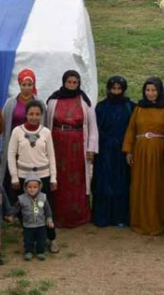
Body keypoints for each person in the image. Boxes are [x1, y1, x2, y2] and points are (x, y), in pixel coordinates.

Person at [122, 77, 164, 236]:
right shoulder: (139, 108)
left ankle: (157, 222)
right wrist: (128, 150)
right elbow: (131, 129)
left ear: (159, 90)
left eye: (154, 90)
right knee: (139, 185)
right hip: (140, 153)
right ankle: (139, 221)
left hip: (160, 153)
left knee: (157, 186)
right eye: (148, 90)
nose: (150, 93)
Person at [46, 70, 98, 228]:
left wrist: (91, 148)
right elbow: (46, 124)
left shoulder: (84, 101)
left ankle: (78, 216)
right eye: (69, 82)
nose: (72, 85)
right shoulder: (53, 100)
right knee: (58, 178)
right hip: (57, 145)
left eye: (75, 82)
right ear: (63, 82)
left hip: (77, 147)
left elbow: (92, 127)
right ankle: (56, 215)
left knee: (77, 179)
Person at [7, 100, 58, 253]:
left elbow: (52, 156)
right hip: (23, 176)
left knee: (44, 209)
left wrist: (53, 178)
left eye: (37, 114)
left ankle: (51, 238)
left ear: (41, 115)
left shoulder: (46, 132)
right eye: (31, 114)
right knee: (26, 209)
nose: (34, 117)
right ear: (26, 114)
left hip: (43, 176)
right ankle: (29, 239)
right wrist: (14, 176)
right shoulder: (17, 131)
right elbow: (11, 154)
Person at [92, 76, 135, 228]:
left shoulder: (130, 106)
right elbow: (95, 129)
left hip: (123, 150)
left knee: (121, 182)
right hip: (104, 150)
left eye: (119, 89)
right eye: (113, 89)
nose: (116, 92)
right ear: (109, 89)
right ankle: (102, 217)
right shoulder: (101, 106)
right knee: (103, 182)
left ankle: (120, 217)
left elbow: (133, 129)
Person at [1, 68, 42, 203]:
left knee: (30, 173)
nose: (26, 88)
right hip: (15, 144)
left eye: (29, 84)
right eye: (23, 84)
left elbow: (44, 126)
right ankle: (12, 207)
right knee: (13, 174)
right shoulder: (10, 103)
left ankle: (31, 205)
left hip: (32, 144)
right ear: (19, 85)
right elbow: (4, 124)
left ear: (34, 85)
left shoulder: (40, 103)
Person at [14, 174, 54, 261]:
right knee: (28, 239)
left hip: (41, 224)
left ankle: (40, 251)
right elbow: (16, 209)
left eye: (35, 187)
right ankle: (29, 251)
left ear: (39, 187)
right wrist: (12, 215)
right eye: (29, 187)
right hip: (28, 225)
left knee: (41, 239)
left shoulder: (43, 197)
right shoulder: (21, 199)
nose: (32, 189)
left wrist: (49, 219)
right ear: (25, 187)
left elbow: (47, 210)